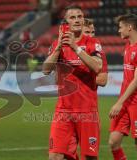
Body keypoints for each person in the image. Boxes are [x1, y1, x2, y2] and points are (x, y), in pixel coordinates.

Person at [43, 5, 103, 160]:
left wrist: (75, 47)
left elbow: (97, 66)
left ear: (83, 20)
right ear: (66, 22)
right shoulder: (58, 44)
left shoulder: (93, 43)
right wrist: (58, 48)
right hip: (63, 111)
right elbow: (45, 70)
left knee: (89, 157)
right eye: (72, 17)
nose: (77, 20)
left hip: (87, 111)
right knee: (54, 156)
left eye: (79, 16)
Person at [108, 13, 137, 160]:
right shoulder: (128, 45)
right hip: (125, 101)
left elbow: (136, 81)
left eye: (120, 27)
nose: (119, 31)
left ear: (130, 27)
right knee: (113, 142)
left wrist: (119, 103)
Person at [83, 18, 108, 87]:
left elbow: (103, 80)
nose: (91, 36)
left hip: (87, 96)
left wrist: (74, 80)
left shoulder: (98, 50)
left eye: (93, 32)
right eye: (87, 32)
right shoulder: (68, 46)